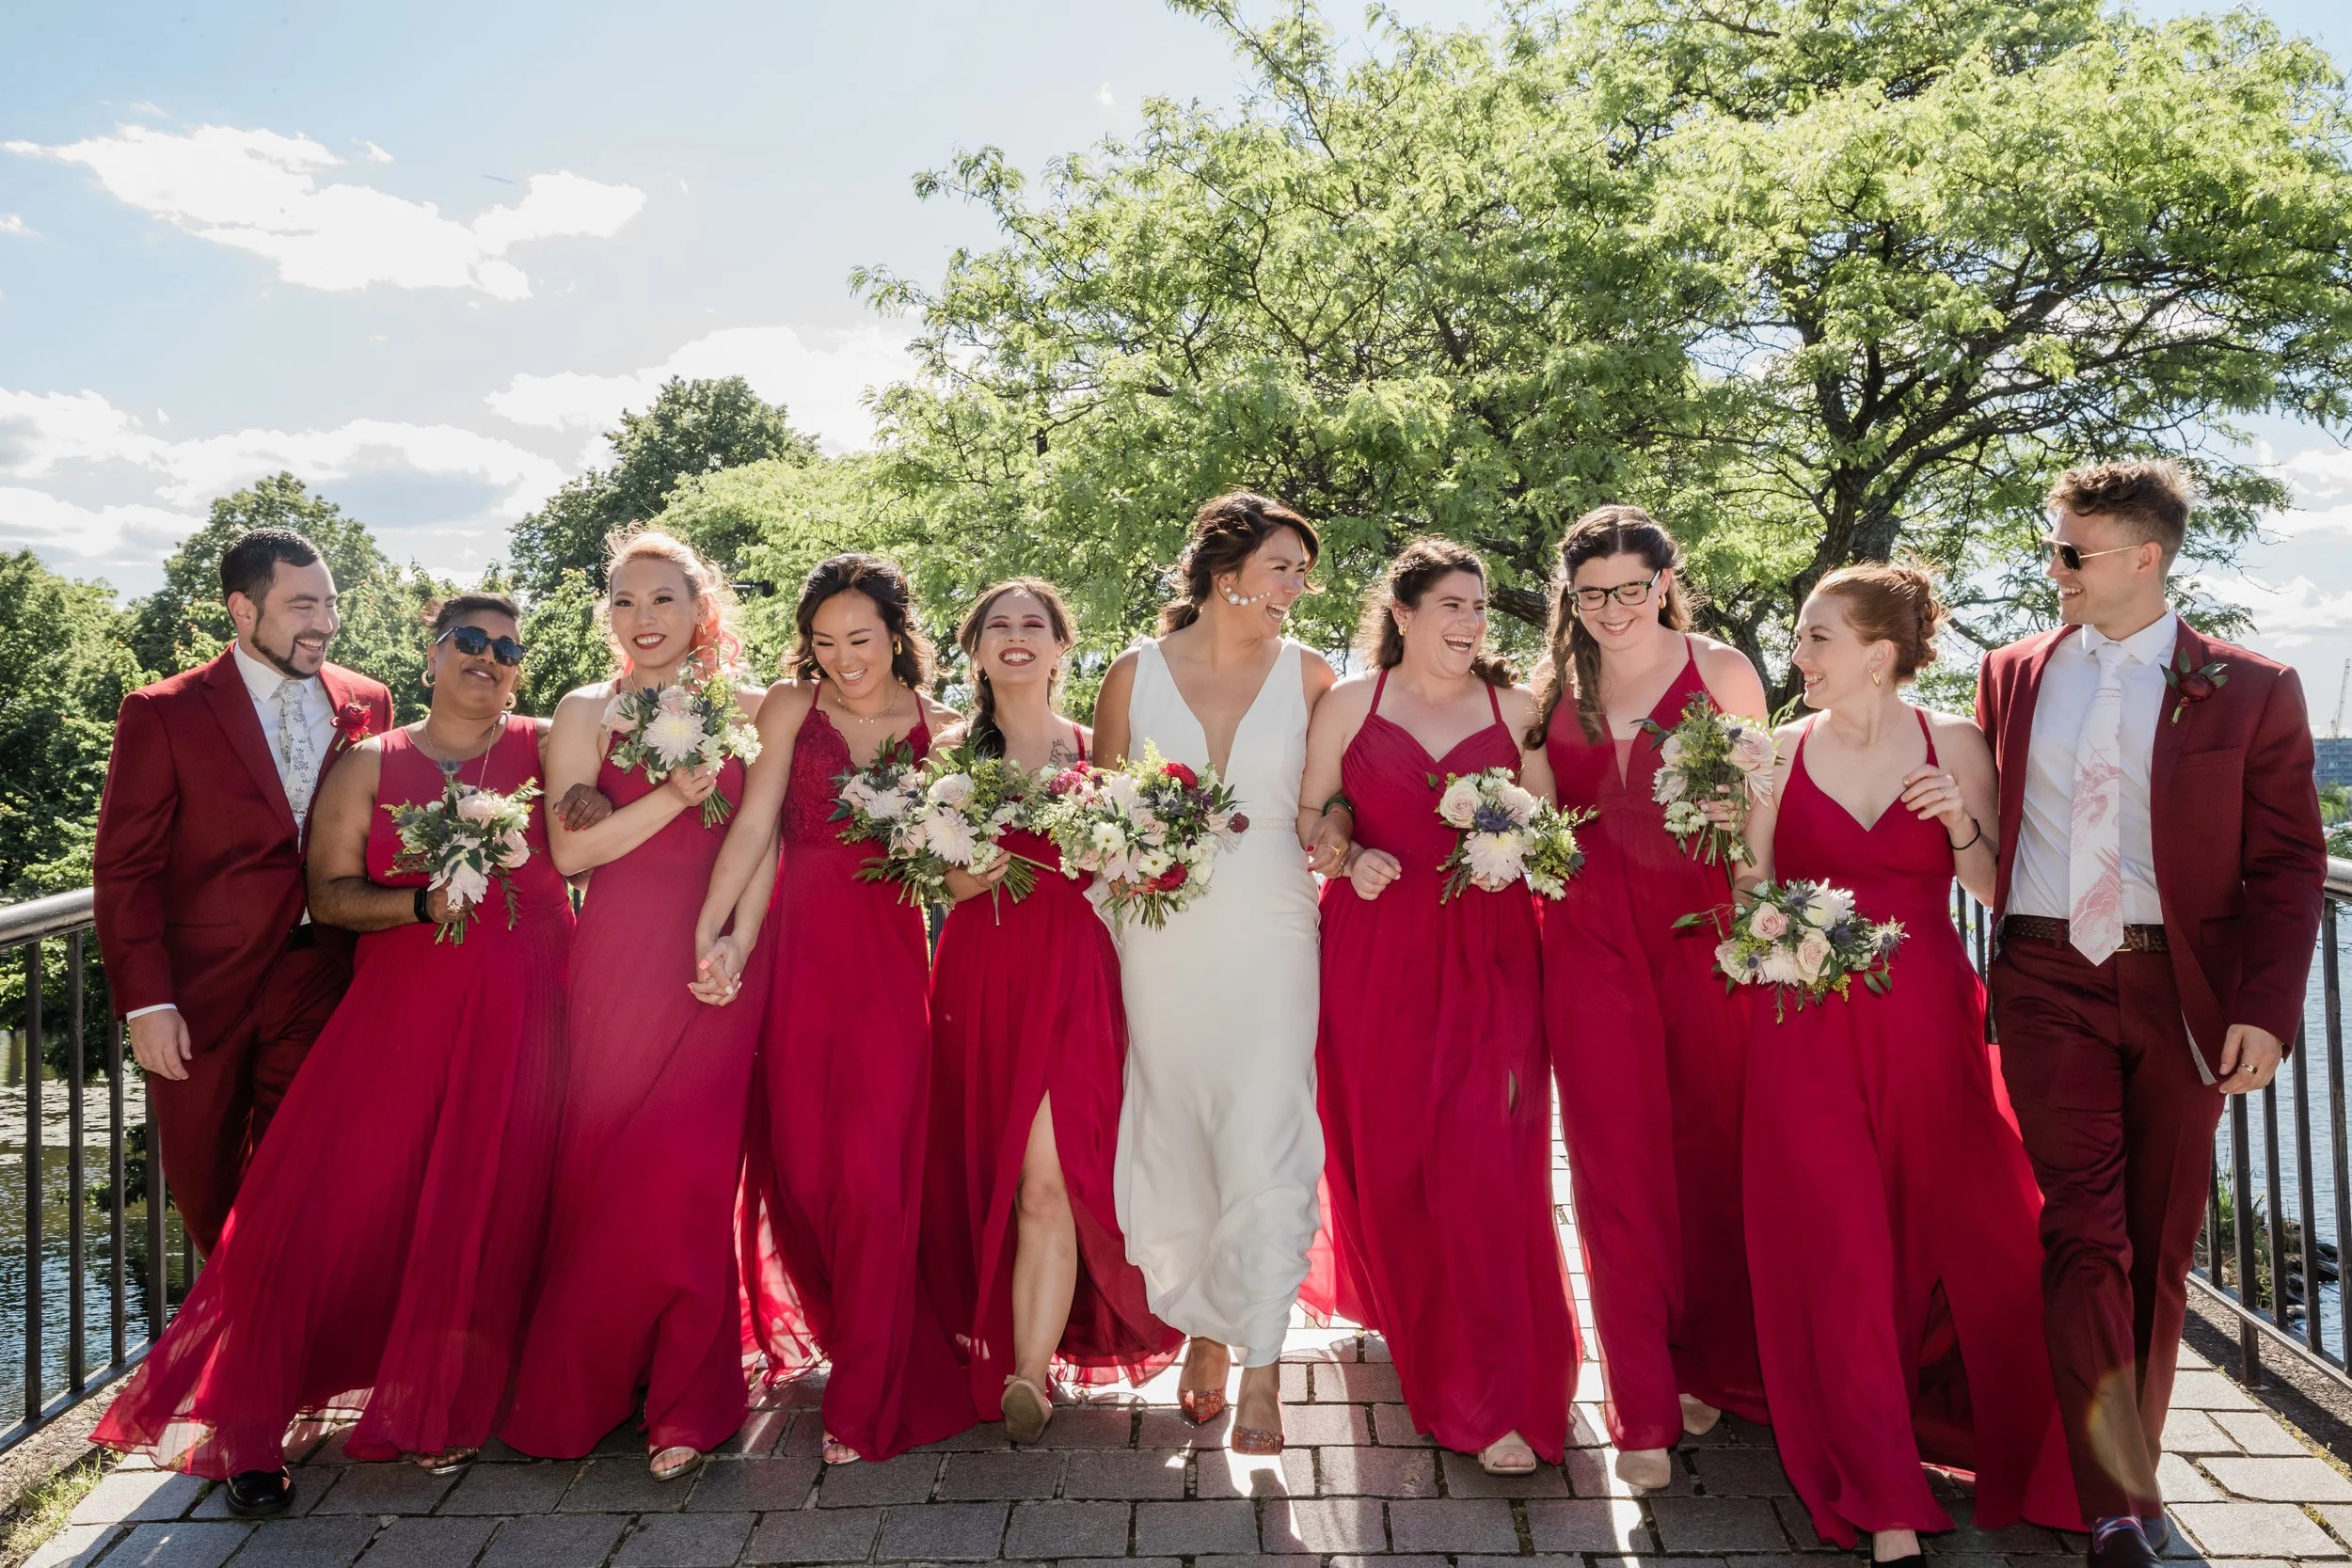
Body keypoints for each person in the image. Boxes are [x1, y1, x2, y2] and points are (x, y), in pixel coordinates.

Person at [92, 594, 573, 1515]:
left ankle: (476, 1386)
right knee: (320, 1208)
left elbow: (613, 820)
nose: (489, 656)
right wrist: (420, 905)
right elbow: (333, 895)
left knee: (495, 1194)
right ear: (432, 654)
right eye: (468, 640)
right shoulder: (371, 762)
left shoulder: (551, 746)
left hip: (532, 1013)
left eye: (506, 646)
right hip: (401, 1014)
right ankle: (251, 1422)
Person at [1979, 461, 2328, 1568]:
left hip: (2184, 992)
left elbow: (2286, 863)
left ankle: (2127, 1463)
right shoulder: (2011, 672)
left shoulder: (2252, 686)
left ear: (2144, 557)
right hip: (2044, 976)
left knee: (2159, 1237)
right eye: (2052, 546)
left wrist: (2267, 1012)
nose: (2054, 569)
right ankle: (2118, 1501)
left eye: (2071, 551)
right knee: (2083, 1227)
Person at [1736, 566, 2079, 1561]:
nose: (1797, 656)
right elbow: (1750, 890)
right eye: (1801, 636)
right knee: (1837, 1238)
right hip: (1800, 1020)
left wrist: (1958, 821)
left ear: (1878, 653)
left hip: (1926, 1016)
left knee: (1951, 1231)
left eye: (1815, 637)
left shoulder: (1956, 742)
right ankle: (1883, 1492)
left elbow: (1989, 883)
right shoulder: (1773, 751)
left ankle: (2019, 1441)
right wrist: (1737, 847)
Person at [1300, 538, 1579, 1475]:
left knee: (1482, 1158)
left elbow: (1555, 838)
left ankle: (1491, 1390)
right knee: (1390, 1154)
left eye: (1480, 607)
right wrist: (1348, 849)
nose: (1469, 623)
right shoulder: (1350, 701)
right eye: (1451, 605)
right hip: (1374, 946)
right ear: (1406, 610)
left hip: (1492, 951)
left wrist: (1512, 843)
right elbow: (1313, 815)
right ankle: (1419, 1321)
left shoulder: (1516, 709)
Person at [501, 531, 767, 1481]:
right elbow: (573, 855)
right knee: (609, 1165)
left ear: (702, 608)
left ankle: (690, 1399)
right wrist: (671, 793)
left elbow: (765, 841)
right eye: (622, 599)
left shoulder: (750, 707)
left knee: (690, 1173)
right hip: (616, 958)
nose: (642, 618)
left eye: (662, 598)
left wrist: (734, 938)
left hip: (717, 958)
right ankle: (590, 1382)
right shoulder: (584, 712)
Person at [692, 553, 969, 1465]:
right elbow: (754, 825)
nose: (844, 658)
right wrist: (716, 932)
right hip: (793, 958)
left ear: (897, 633)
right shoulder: (790, 707)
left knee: (874, 1173)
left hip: (889, 970)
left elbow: (959, 864)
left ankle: (869, 1392)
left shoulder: (948, 732)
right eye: (824, 642)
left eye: (860, 638)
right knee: (805, 1170)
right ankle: (854, 1329)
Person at [1090, 493, 1337, 1454]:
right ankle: (1202, 1322)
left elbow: (1334, 803)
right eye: (1282, 567)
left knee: (1268, 1115)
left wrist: (1338, 833)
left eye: (1300, 574)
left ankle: (1264, 1359)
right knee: (1181, 1115)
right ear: (1226, 572)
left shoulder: (1312, 674)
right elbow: (1096, 810)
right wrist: (1130, 850)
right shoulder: (1131, 673)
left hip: (1272, 916)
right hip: (1160, 926)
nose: (1294, 587)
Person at [1530, 506, 1771, 1488]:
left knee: (1711, 1147)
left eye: (1632, 588)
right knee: (1611, 1159)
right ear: (1570, 598)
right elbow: (1536, 816)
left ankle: (1704, 1362)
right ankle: (1638, 1404)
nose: (1613, 609)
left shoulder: (1721, 671)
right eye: (1592, 594)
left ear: (1666, 580)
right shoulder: (1553, 686)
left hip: (1703, 936)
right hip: (1587, 944)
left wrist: (1738, 828)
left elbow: (1765, 821)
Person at [920, 579, 1183, 1443]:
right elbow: (937, 879)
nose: (1018, 637)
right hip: (981, 974)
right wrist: (968, 872)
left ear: (1063, 647)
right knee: (985, 1168)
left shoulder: (1096, 748)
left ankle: (1027, 1375)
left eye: (1035, 624)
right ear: (978, 650)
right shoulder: (948, 755)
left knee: (1048, 1179)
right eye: (999, 625)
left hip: (1074, 971)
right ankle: (996, 1338)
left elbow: (1122, 860)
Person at [91, 529, 393, 1255]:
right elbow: (124, 870)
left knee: (312, 1183)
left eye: (329, 602)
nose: (324, 621)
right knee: (209, 1199)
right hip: (202, 996)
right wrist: (147, 1003)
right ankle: (241, 1342)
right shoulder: (162, 712)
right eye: (301, 605)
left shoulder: (368, 701)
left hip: (325, 974)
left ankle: (294, 1359)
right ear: (244, 609)